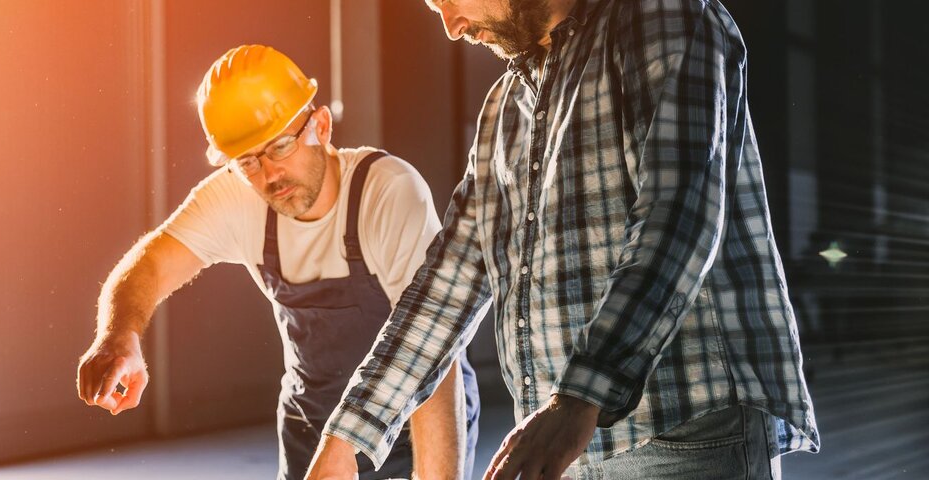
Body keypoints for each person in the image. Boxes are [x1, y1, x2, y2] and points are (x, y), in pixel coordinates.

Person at [306, 1, 820, 479]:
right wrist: (348, 435)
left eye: (450, 0)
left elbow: (677, 220)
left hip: (684, 441)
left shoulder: (660, 16)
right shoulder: (505, 106)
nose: (452, 28)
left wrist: (579, 397)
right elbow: (448, 281)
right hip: (561, 444)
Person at [75, 44, 480, 480]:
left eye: (281, 146)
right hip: (310, 426)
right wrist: (118, 334)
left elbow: (432, 353)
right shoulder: (236, 196)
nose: (269, 175)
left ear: (320, 126)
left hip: (412, 423)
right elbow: (151, 263)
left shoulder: (388, 192)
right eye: (248, 161)